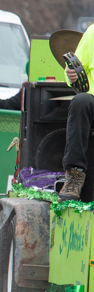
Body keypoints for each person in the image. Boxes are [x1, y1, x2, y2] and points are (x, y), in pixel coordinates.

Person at [58, 27, 94, 200]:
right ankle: (74, 175)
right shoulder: (92, 32)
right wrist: (70, 75)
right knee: (81, 101)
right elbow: (73, 69)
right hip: (92, 102)